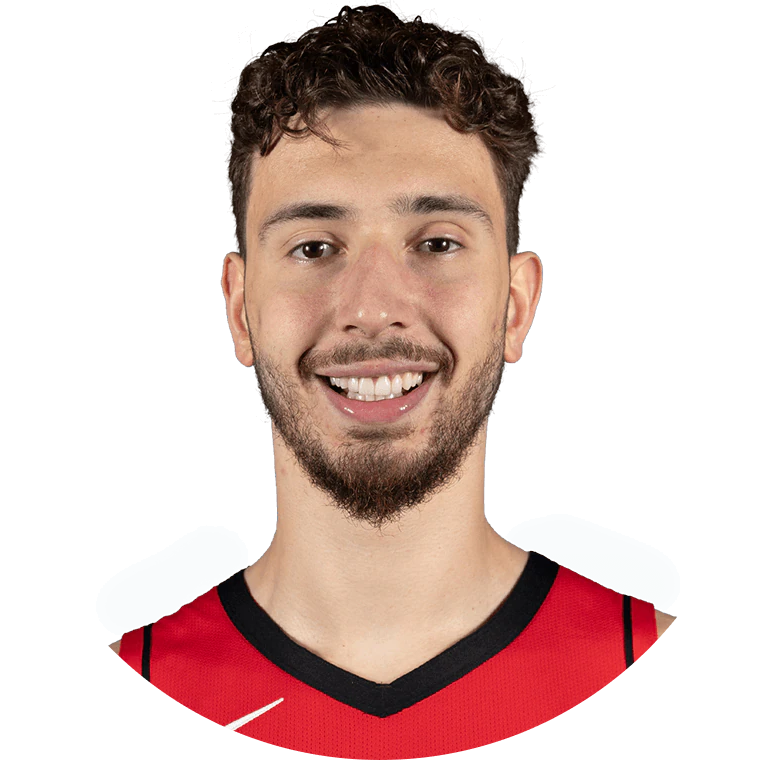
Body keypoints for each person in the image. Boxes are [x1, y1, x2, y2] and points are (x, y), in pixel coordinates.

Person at [108, 3, 675, 753]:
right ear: (240, 311)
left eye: (437, 243)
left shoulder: (636, 650)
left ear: (516, 307)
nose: (373, 310)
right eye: (314, 247)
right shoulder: (148, 670)